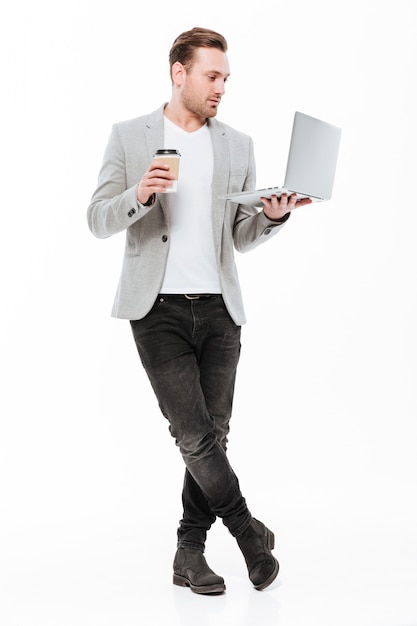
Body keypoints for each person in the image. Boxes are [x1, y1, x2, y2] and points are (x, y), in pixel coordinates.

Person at [87, 26, 311, 595]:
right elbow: (96, 219)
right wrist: (139, 194)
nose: (220, 88)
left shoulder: (236, 143)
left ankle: (188, 554)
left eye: (226, 79)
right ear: (178, 72)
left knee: (213, 435)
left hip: (219, 310)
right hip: (155, 309)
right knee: (194, 436)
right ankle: (248, 535)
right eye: (212, 76)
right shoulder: (129, 135)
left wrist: (275, 216)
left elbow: (241, 235)